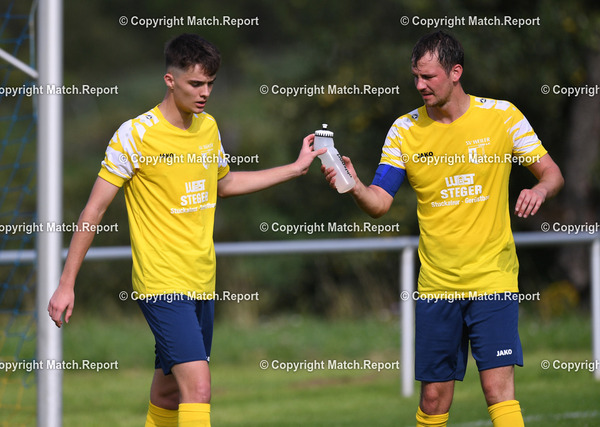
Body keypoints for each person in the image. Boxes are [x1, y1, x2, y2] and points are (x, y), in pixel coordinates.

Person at [48, 33, 325, 427]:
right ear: (170, 79)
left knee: (168, 392)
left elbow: (225, 183)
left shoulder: (208, 128)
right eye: (195, 83)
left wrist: (295, 169)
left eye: (210, 83)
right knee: (198, 389)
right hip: (161, 284)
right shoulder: (135, 135)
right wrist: (66, 283)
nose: (204, 92)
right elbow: (93, 210)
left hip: (202, 281)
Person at [321, 30, 564, 427]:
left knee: (497, 389)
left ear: (455, 72)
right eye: (415, 77)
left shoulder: (503, 116)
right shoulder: (404, 130)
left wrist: (539, 189)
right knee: (434, 398)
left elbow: (552, 173)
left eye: (428, 77)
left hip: (493, 279)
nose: (420, 85)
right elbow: (380, 202)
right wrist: (355, 186)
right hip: (437, 286)